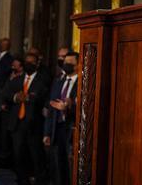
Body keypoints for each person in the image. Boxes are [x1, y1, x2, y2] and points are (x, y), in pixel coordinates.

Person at [2, 51, 50, 185]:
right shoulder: (16, 79)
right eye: (26, 62)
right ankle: (22, 181)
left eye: (31, 62)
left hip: (33, 125)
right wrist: (15, 97)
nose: (29, 64)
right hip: (17, 124)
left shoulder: (42, 81)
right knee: (18, 156)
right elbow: (5, 93)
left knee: (36, 156)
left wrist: (30, 97)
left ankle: (40, 181)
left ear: (37, 64)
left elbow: (45, 98)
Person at [43, 51, 78, 185]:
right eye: (65, 62)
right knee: (57, 166)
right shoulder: (58, 81)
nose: (66, 65)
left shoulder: (82, 83)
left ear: (78, 65)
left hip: (71, 130)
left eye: (70, 63)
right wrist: (46, 133)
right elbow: (51, 109)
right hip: (56, 129)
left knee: (70, 168)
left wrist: (68, 108)